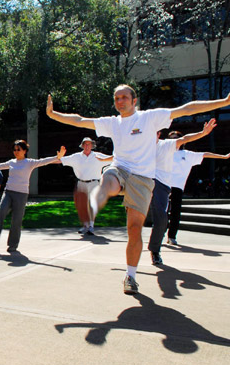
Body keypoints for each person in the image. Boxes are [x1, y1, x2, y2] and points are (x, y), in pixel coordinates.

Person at [46, 84, 230, 295]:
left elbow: (187, 108)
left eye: (124, 97)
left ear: (135, 101)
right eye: (116, 98)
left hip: (143, 179)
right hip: (121, 170)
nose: (120, 101)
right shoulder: (112, 123)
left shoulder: (150, 118)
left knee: (134, 229)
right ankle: (100, 196)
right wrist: (53, 114)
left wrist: (224, 102)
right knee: (109, 176)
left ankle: (130, 276)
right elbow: (79, 120)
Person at [147, 120, 216, 265]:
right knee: (139, 216)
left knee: (162, 219)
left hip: (164, 185)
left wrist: (203, 133)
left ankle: (155, 250)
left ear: (159, 134)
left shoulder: (167, 145)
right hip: (146, 183)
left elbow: (185, 139)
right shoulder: (142, 147)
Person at [0, 140, 65, 252]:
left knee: (16, 220)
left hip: (21, 194)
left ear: (24, 150)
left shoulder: (29, 162)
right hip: (8, 192)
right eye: (14, 150)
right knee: (1, 212)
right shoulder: (11, 162)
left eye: (18, 149)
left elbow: (44, 161)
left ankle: (13, 245)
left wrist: (57, 157)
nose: (16, 152)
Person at [166, 130, 230, 245]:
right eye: (171, 138)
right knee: (161, 213)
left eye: (175, 138)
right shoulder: (164, 152)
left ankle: (171, 236)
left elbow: (205, 154)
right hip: (163, 185)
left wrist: (223, 157)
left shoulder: (187, 154)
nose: (173, 140)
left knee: (175, 212)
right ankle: (158, 235)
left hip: (178, 187)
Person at [59, 137, 111, 235]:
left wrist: (122, 153)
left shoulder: (98, 156)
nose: (87, 146)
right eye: (85, 144)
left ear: (92, 145)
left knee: (92, 204)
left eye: (89, 144)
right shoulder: (76, 157)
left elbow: (113, 159)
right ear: (82, 145)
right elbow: (61, 160)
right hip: (81, 183)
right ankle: (85, 226)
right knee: (82, 206)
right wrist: (45, 161)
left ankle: (91, 226)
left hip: (94, 183)